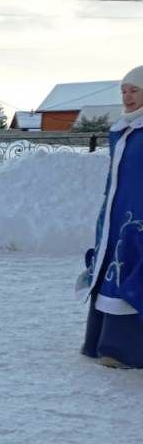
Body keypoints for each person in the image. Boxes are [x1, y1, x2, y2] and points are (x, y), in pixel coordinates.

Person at [80, 65, 143, 368]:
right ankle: (104, 343)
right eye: (124, 91)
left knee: (134, 271)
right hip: (117, 214)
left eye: (135, 90)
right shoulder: (121, 130)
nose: (128, 96)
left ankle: (126, 351)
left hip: (140, 215)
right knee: (113, 268)